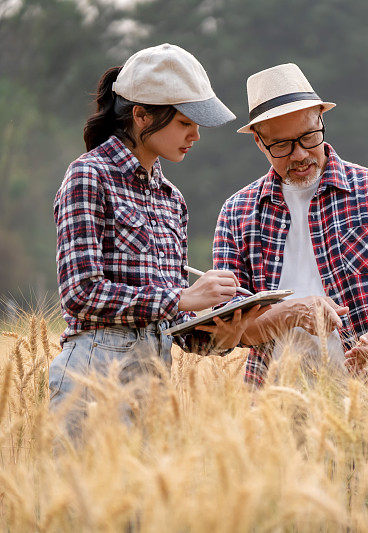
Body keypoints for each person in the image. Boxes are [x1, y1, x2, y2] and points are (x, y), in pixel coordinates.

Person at [49, 44, 264, 427]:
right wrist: (182, 297)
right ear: (141, 115)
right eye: (185, 123)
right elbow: (81, 295)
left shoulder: (172, 200)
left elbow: (171, 325)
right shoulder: (89, 176)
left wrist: (224, 331)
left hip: (155, 386)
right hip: (92, 380)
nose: (196, 135)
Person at [213, 63, 368, 385]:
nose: (300, 154)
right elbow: (227, 330)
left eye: (308, 137)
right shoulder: (237, 213)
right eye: (282, 145)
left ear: (321, 119)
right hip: (274, 401)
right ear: (259, 142)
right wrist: (290, 314)